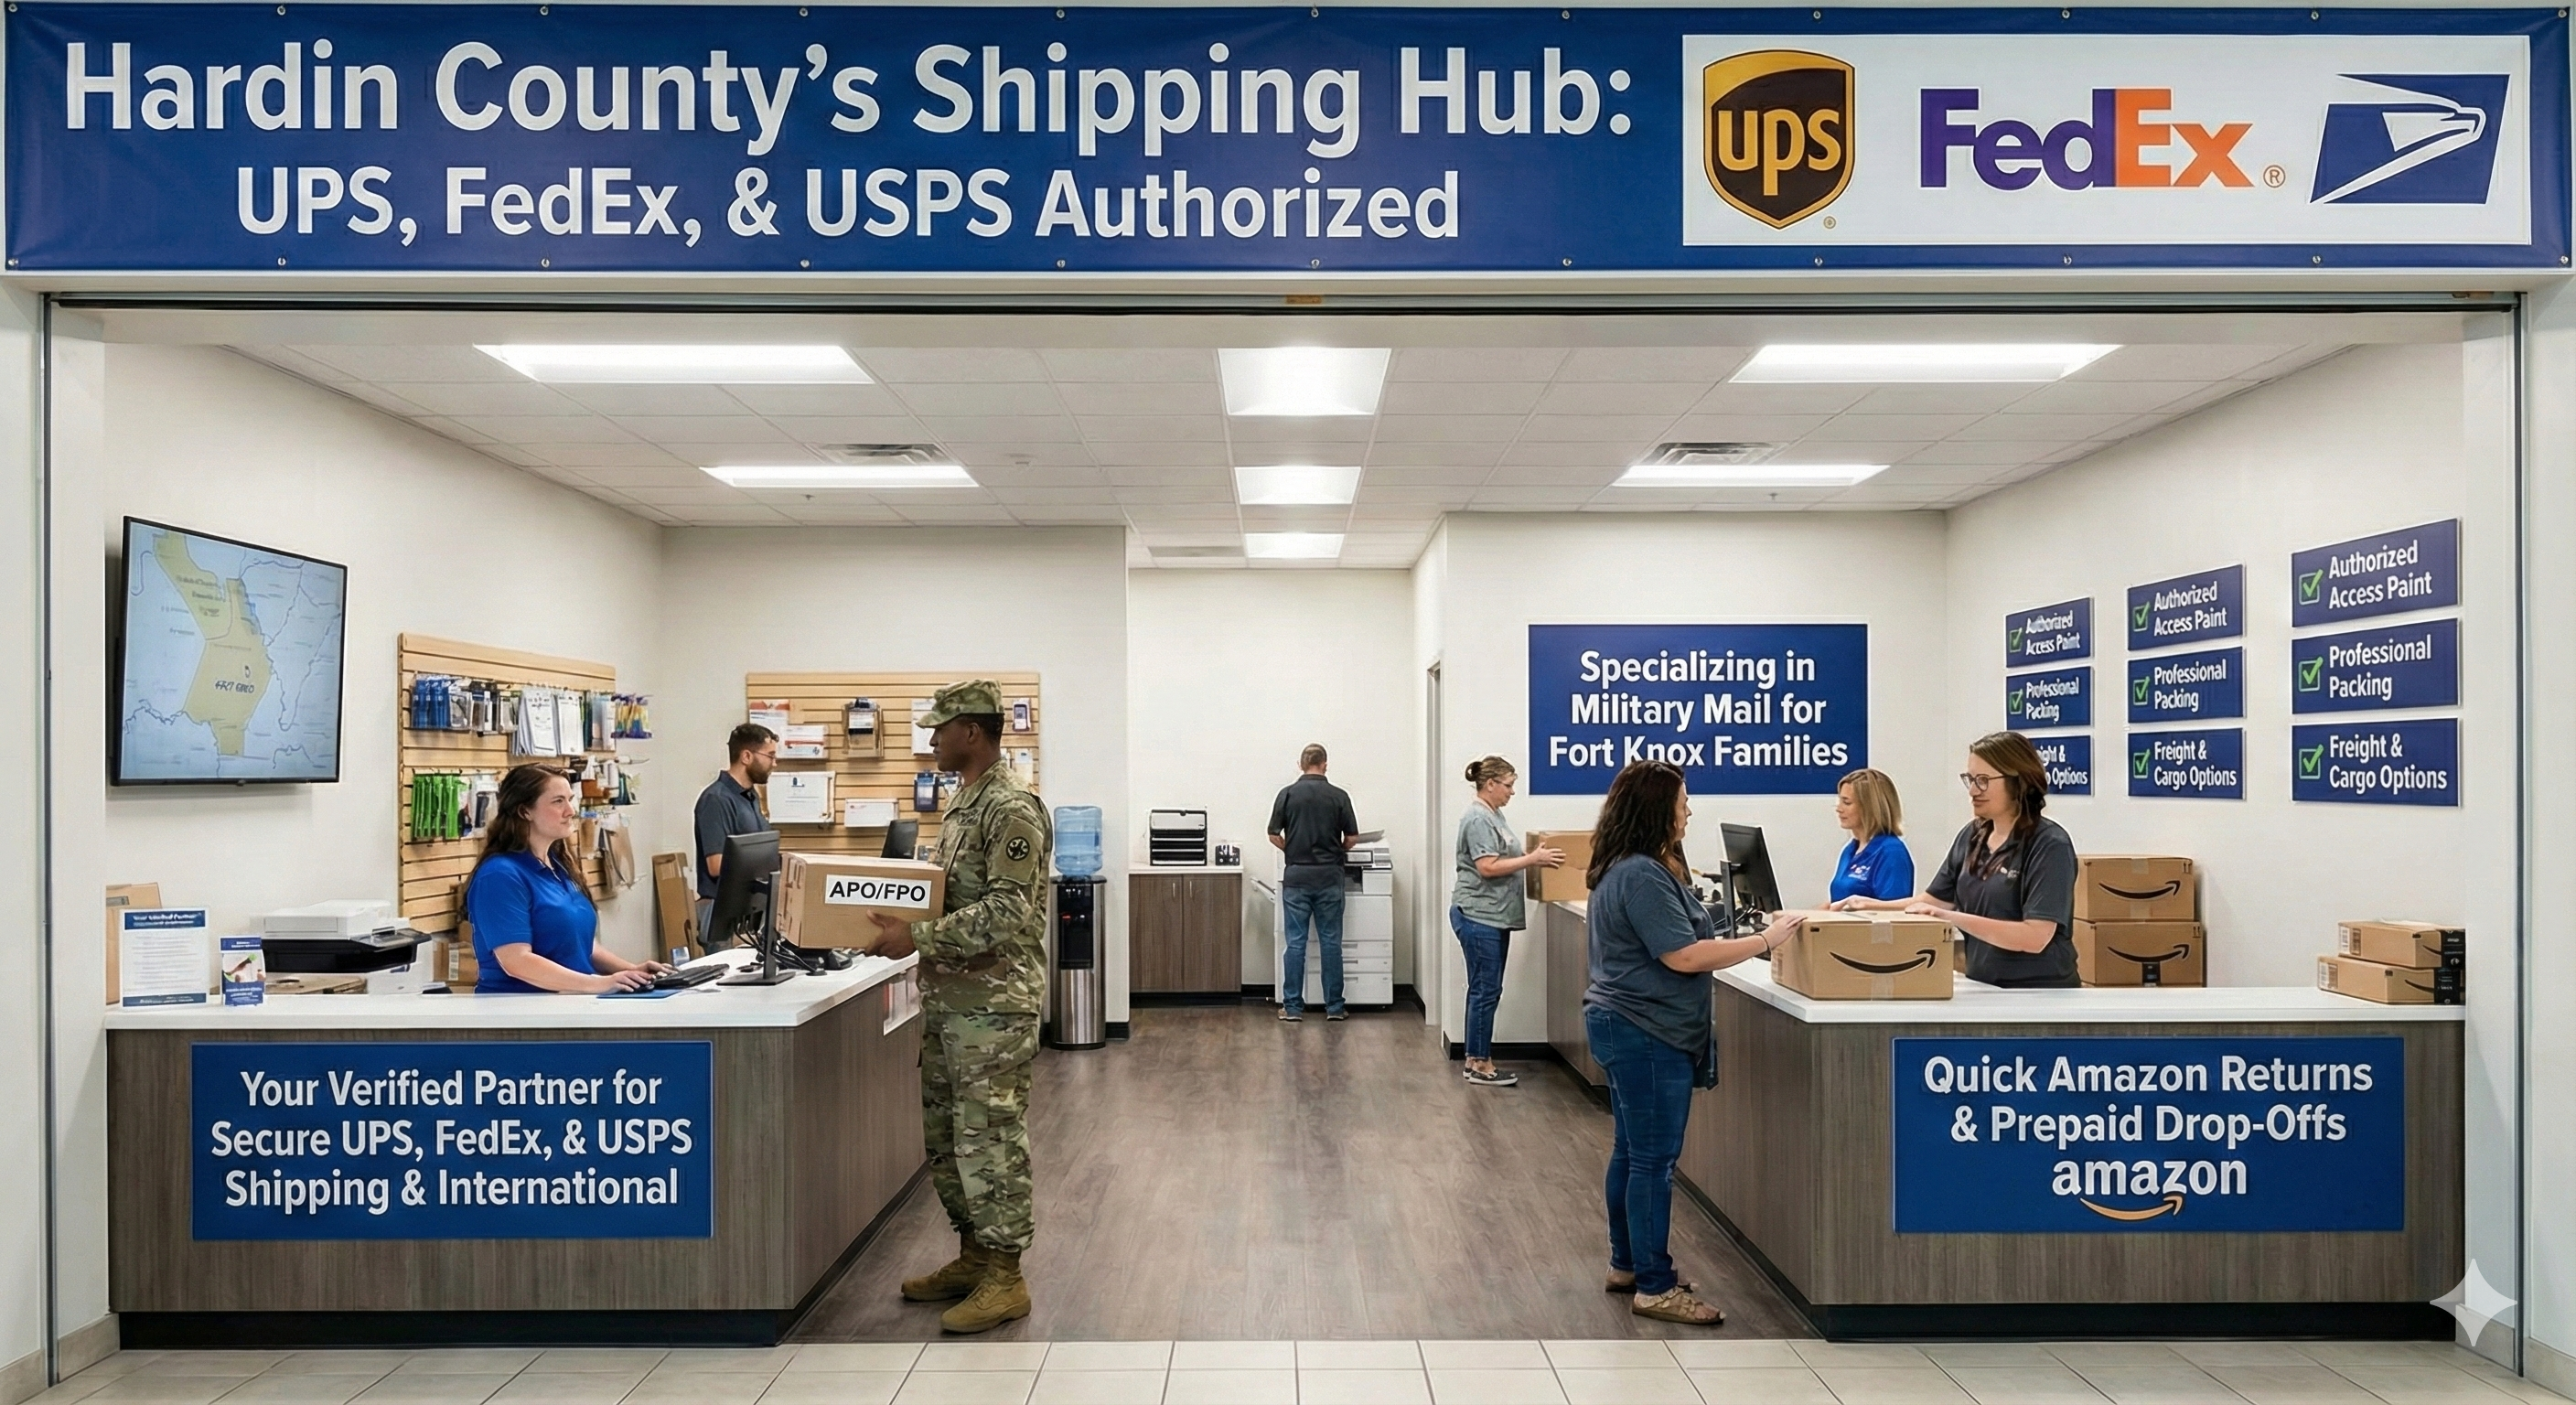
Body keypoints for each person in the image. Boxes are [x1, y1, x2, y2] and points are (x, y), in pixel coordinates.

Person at [1583, 759, 1803, 1325]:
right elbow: (1682, 956)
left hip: (1629, 1025)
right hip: (1645, 1031)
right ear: (1659, 809)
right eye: (1682, 801)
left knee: (1632, 1153)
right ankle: (1654, 1287)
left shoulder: (1630, 867)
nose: (1688, 811)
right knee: (1653, 1162)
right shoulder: (1641, 875)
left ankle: (1628, 1263)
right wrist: (1763, 940)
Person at [867, 680, 1052, 1335]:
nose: (932, 739)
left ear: (972, 732)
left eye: (940, 729)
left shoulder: (1012, 809)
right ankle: (975, 1255)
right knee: (948, 1139)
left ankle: (1006, 1275)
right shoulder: (962, 805)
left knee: (990, 1138)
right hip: (952, 1000)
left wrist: (913, 936)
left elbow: (1007, 911)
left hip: (994, 1008)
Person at [1835, 732, 2078, 989]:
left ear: (2018, 783)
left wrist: (1953, 918)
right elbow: (1933, 901)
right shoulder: (1972, 836)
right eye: (1970, 780)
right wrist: (1868, 905)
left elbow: (2035, 936)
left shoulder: (2049, 845)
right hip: (1984, 984)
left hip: (2040, 991)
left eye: (1983, 781)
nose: (1973, 791)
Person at [465, 765, 668, 994]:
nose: (571, 811)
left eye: (570, 799)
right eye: (558, 801)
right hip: (520, 1015)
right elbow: (516, 961)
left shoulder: (558, 866)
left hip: (568, 1005)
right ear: (525, 812)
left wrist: (632, 972)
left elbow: (577, 943)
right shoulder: (499, 876)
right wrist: (599, 983)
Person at [1450, 756, 1564, 1089]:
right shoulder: (1477, 818)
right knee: (1486, 990)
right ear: (1490, 784)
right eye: (1509, 786)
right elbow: (1486, 867)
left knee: (1484, 989)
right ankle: (1480, 1064)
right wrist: (1533, 859)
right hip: (1479, 915)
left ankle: (1475, 1057)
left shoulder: (1493, 814)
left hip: (1492, 915)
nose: (1512, 792)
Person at [1267, 743, 1360, 1022]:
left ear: (1301, 764)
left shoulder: (1287, 794)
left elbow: (1273, 834)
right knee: (1331, 943)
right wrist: (1339, 850)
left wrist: (1291, 850)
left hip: (1297, 877)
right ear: (1325, 764)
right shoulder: (1339, 796)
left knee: (1295, 944)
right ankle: (1334, 1008)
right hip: (1330, 876)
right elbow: (1352, 838)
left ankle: (1293, 1007)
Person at [692, 723, 778, 945]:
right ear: (747, 756)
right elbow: (716, 865)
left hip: (748, 911)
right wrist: (769, 864)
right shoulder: (716, 800)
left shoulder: (750, 797)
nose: (774, 763)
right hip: (723, 915)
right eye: (770, 756)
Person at [1828, 767, 1915, 905]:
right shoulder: (1850, 850)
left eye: (1847, 802)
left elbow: (1893, 913)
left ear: (1870, 807)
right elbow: (1836, 904)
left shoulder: (1891, 852)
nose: (1839, 809)